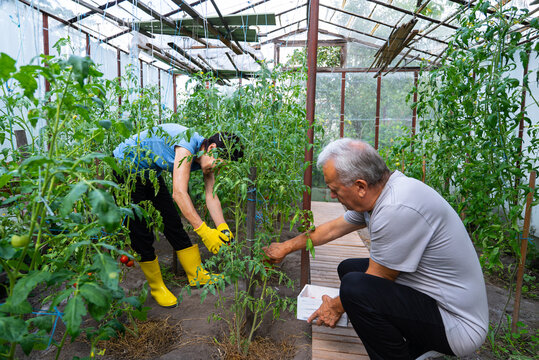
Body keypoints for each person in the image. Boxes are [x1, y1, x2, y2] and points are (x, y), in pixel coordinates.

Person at [263, 138, 488, 359]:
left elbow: (380, 277)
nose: (332, 195)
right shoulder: (383, 193)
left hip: (457, 325)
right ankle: (414, 345)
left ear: (360, 186)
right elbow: (331, 230)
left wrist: (334, 306)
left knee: (355, 288)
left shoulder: (395, 207)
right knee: (350, 270)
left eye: (335, 189)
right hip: (432, 297)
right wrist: (285, 247)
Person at [113, 123, 243, 308]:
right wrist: (205, 232)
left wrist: (222, 228)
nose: (219, 169)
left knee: (172, 220)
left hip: (150, 172)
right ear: (212, 148)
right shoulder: (187, 146)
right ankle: (157, 286)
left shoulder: (205, 158)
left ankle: (196, 274)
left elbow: (211, 195)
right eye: (221, 163)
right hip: (125, 168)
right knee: (139, 229)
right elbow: (179, 194)